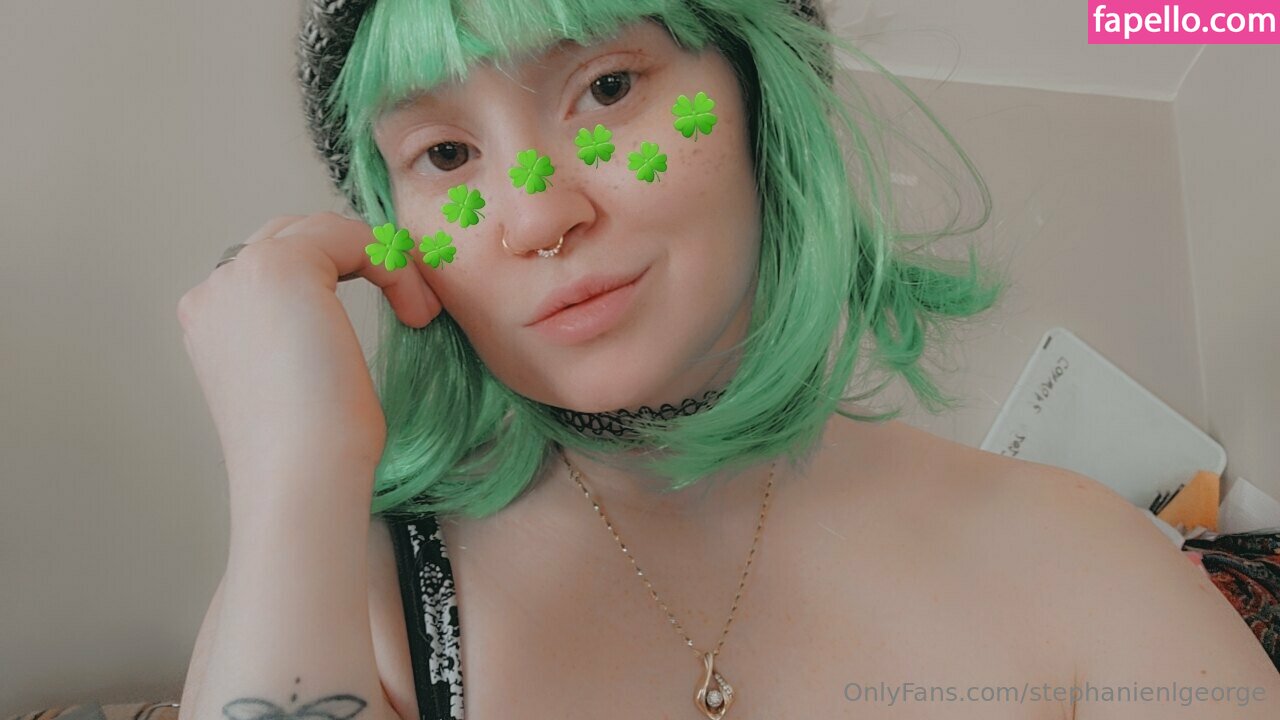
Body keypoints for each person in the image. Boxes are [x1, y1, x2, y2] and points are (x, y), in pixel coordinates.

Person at [176, 1, 1280, 719]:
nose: (537, 216)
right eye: (447, 152)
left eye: (608, 87)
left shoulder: (1082, 558)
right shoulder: (345, 596)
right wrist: (293, 467)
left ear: (762, 103)